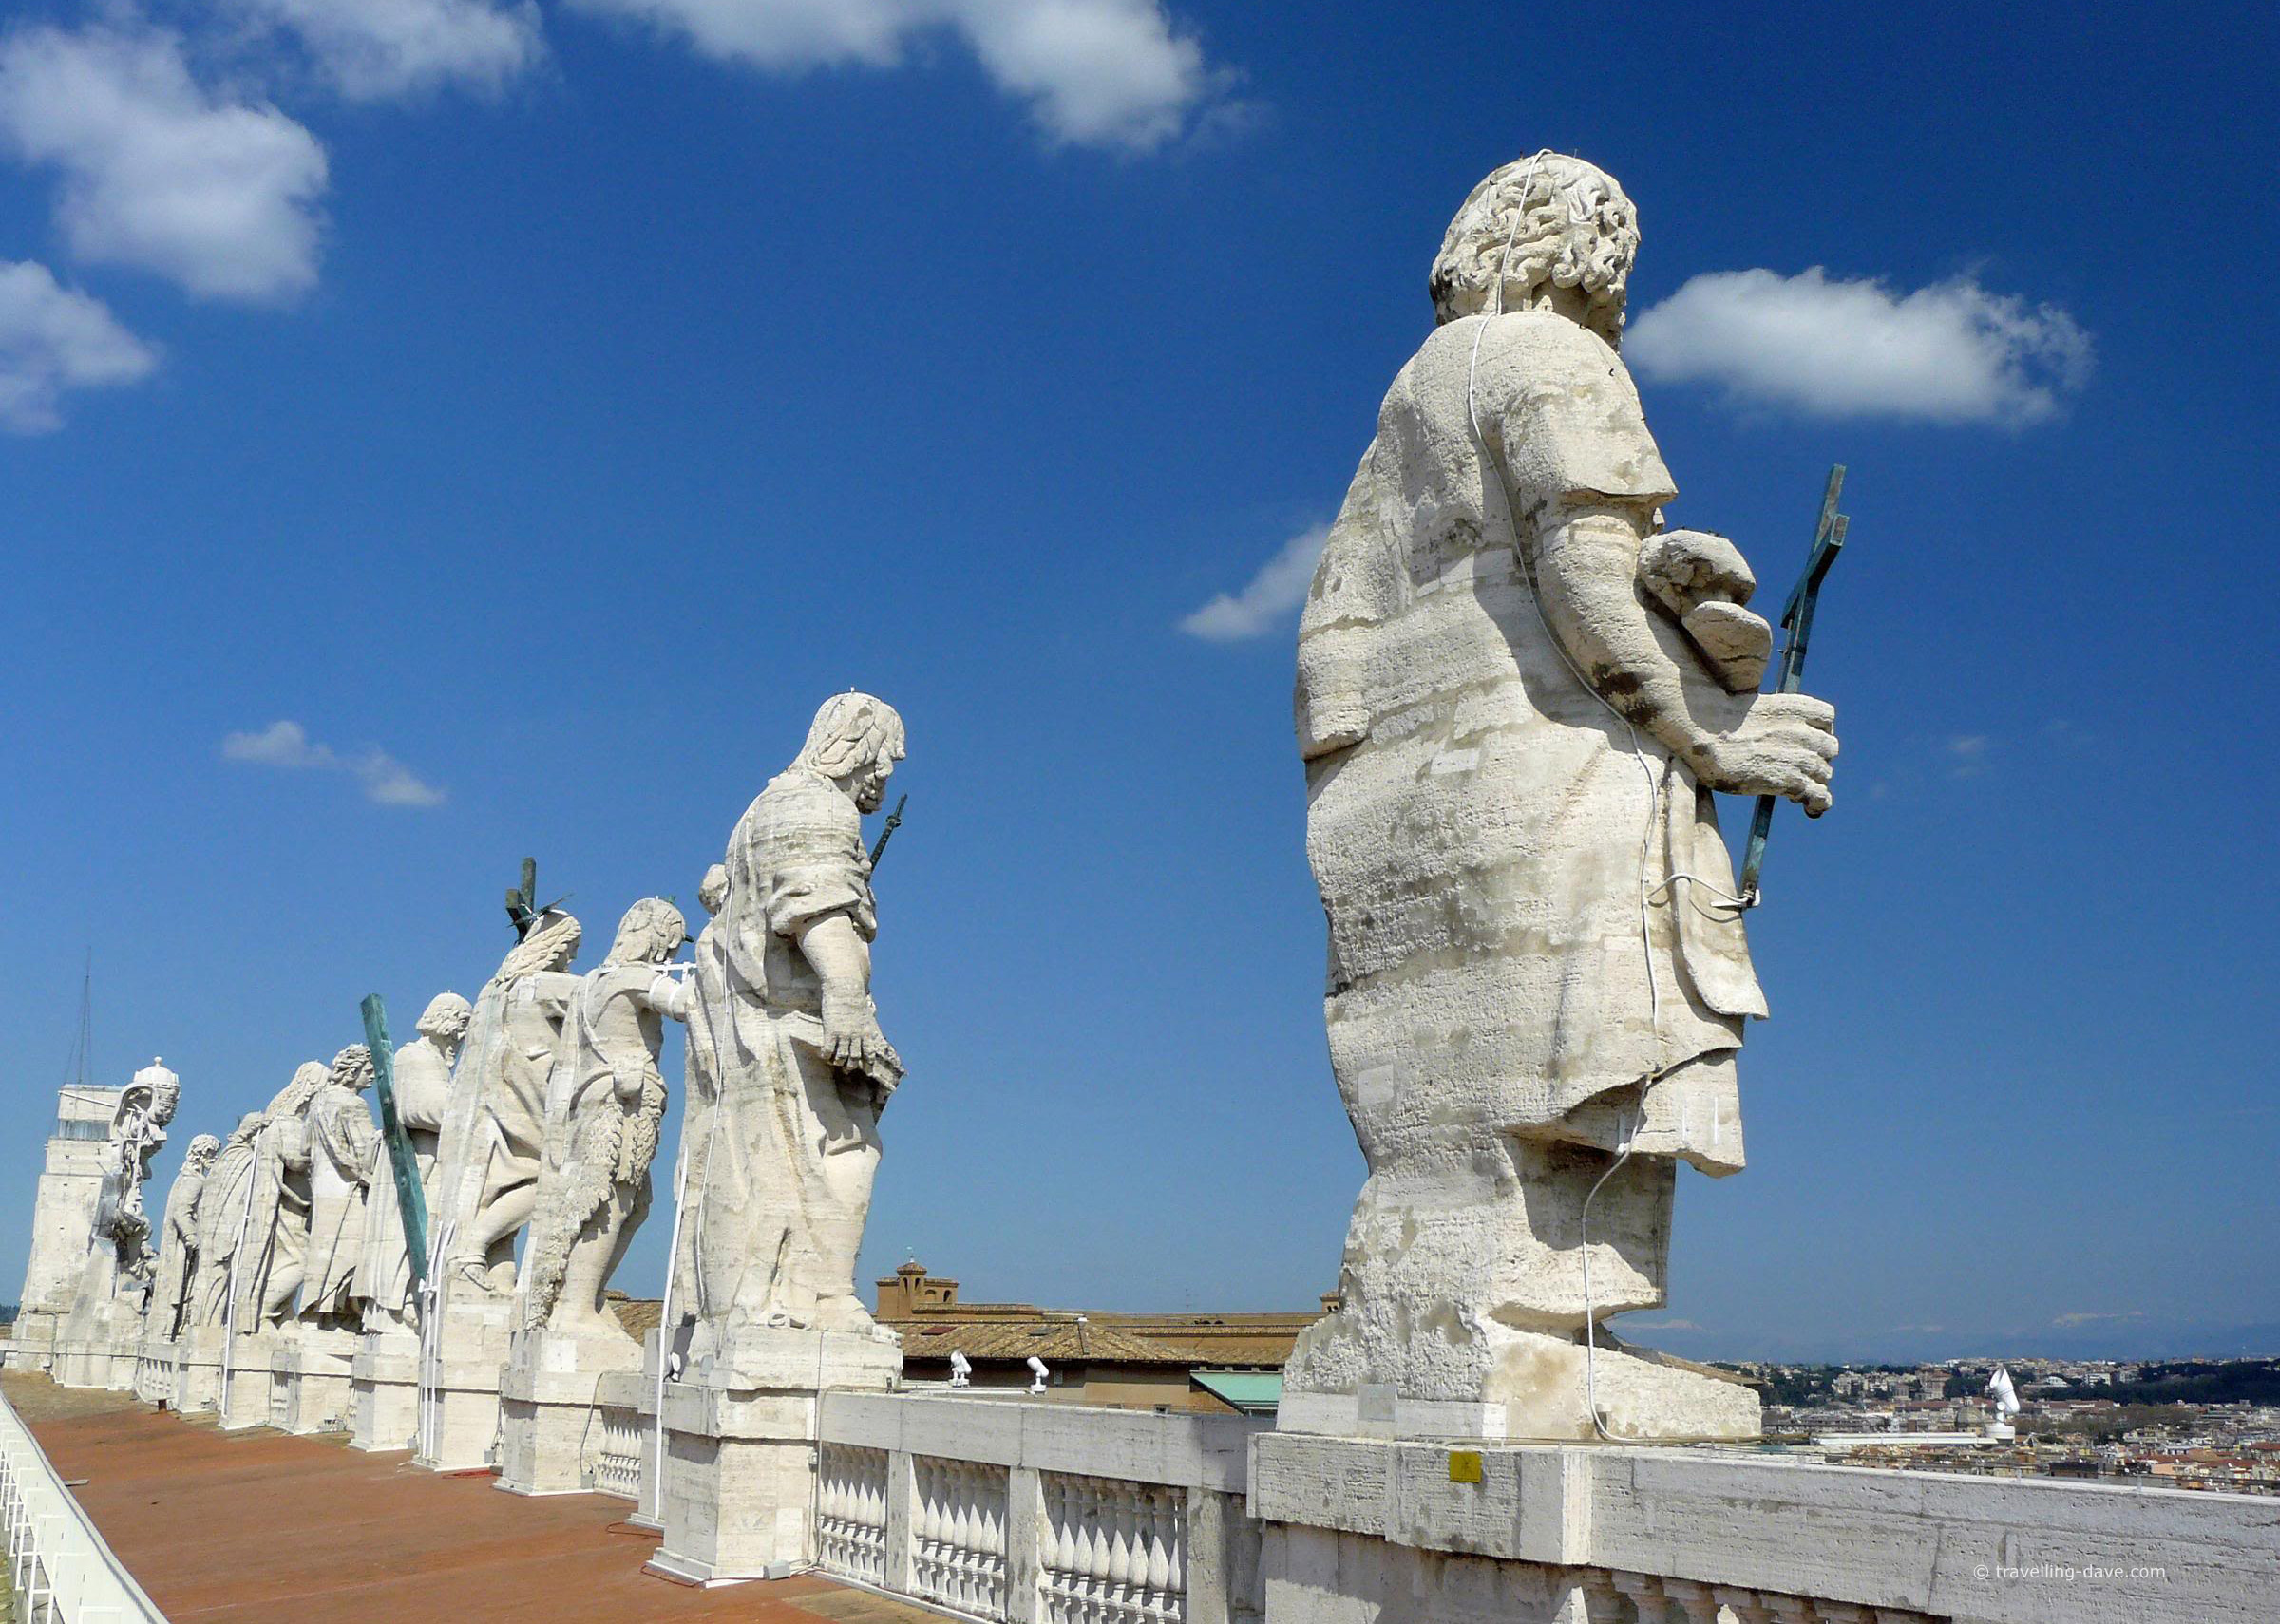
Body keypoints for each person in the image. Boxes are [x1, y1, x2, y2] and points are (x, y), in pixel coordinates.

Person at [1286, 153, 1838, 1426]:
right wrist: (1718, 739)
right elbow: (1583, 578)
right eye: (1616, 252)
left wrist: (1661, 571)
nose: (1622, 286)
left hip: (1405, 806)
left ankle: (1427, 1316)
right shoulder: (1551, 360)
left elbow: (1349, 641)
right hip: (1548, 789)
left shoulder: (1410, 402)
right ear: (1573, 250)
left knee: (1462, 1125)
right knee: (1577, 1064)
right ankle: (1522, 1317)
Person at [668, 693, 905, 1351]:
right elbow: (814, 904)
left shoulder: (759, 809)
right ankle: (825, 1296)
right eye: (884, 759)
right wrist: (846, 998)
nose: (884, 777)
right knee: (847, 1150)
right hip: (797, 1022)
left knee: (763, 1165)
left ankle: (771, 1300)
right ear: (857, 745)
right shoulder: (815, 805)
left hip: (750, 1026)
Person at [520, 898, 687, 1344]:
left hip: (587, 1100)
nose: (669, 957)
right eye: (669, 945)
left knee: (627, 1202)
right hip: (623, 1101)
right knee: (612, 1198)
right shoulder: (635, 978)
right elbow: (684, 1003)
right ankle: (576, 1307)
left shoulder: (592, 982)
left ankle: (578, 1300)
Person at [358, 992, 473, 1332]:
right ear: (445, 1020)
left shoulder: (433, 1059)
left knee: (425, 1236)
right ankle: (400, 1305)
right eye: (461, 1025)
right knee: (403, 1237)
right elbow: (418, 1107)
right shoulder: (415, 1056)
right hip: (416, 1161)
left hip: (431, 1160)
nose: (462, 1036)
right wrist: (470, 1108)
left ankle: (411, 1302)